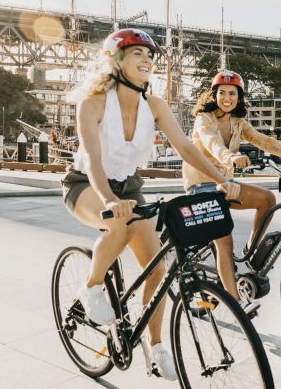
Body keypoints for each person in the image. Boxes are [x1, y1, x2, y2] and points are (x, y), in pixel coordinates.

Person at [61, 29, 240, 381]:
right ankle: (92, 286)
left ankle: (156, 348)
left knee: (157, 269)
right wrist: (110, 200)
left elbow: (186, 149)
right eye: (137, 53)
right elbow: (94, 160)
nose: (147, 60)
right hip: (85, 184)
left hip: (129, 187)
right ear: (115, 59)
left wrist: (221, 178)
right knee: (119, 224)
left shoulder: (154, 105)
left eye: (150, 55)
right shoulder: (93, 102)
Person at [183, 70, 281, 313]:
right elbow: (211, 142)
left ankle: (250, 251)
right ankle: (237, 304)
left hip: (226, 185)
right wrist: (230, 156)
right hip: (202, 185)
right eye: (222, 93)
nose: (226, 98)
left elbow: (263, 140)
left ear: (239, 97)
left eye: (232, 94)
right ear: (214, 95)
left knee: (267, 198)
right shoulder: (204, 119)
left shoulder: (238, 122)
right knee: (224, 242)